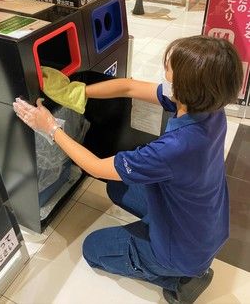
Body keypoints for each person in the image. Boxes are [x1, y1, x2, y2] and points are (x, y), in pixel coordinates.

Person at [13, 35, 243, 304]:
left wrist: (51, 127)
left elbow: (95, 166)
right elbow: (131, 87)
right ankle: (169, 245)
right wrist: (76, 91)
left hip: (181, 251)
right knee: (117, 186)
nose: (165, 71)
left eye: (170, 68)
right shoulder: (209, 108)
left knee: (92, 250)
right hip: (204, 225)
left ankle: (181, 278)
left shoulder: (174, 148)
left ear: (185, 87)